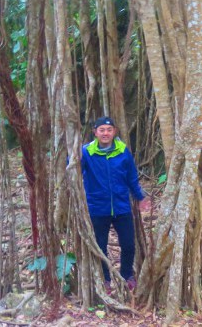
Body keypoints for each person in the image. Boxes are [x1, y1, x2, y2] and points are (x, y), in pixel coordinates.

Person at [81, 116, 150, 292]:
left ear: (114, 132)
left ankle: (127, 275)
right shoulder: (86, 152)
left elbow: (131, 177)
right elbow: (71, 167)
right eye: (101, 130)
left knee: (128, 244)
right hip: (97, 207)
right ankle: (105, 280)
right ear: (95, 132)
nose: (105, 133)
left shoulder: (122, 151)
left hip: (121, 206)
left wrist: (140, 196)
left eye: (109, 130)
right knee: (100, 246)